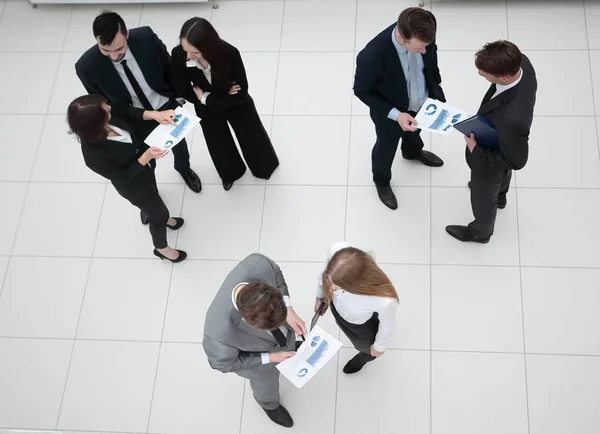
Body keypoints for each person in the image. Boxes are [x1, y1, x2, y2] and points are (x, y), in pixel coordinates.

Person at [75, 10, 202, 213]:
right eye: (106, 51)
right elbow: (105, 105)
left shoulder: (146, 37)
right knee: (143, 161)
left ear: (126, 33)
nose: (114, 56)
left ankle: (183, 169)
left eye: (119, 49)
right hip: (132, 117)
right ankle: (150, 198)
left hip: (163, 104)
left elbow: (169, 67)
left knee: (178, 142)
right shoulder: (86, 67)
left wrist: (178, 96)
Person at [67, 95, 187, 263]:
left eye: (107, 105)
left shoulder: (109, 114)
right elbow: (122, 178)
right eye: (105, 110)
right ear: (95, 122)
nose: (110, 108)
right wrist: (145, 157)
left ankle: (154, 214)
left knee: (153, 192)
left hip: (145, 171)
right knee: (158, 214)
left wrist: (155, 115)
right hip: (133, 186)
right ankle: (161, 248)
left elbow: (128, 112)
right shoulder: (93, 156)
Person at [170, 17, 279, 191]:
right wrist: (217, 98)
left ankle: (263, 168)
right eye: (186, 50)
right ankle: (231, 173)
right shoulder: (179, 55)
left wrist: (206, 98)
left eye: (195, 52)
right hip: (209, 107)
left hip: (234, 104)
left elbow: (241, 93)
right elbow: (183, 90)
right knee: (217, 142)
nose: (189, 56)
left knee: (252, 136)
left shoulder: (230, 53)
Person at [353, 7, 446, 210]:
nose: (424, 50)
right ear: (401, 37)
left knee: (415, 132)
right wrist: (397, 115)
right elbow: (361, 91)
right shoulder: (371, 56)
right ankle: (381, 180)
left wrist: (435, 86)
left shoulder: (427, 23)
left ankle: (412, 152)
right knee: (385, 147)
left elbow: (431, 56)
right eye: (418, 48)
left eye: (426, 46)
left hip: (422, 103)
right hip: (391, 113)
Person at [446, 40, 537, 243]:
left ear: (504, 77)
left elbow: (516, 161)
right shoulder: (524, 64)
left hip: (491, 157)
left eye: (484, 74)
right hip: (502, 137)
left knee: (483, 197)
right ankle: (501, 197)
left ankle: (480, 232)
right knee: (503, 174)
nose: (480, 74)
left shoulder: (513, 121)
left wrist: (476, 150)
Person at [203, 253, 306, 428]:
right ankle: (269, 405)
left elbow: (278, 278)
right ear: (249, 322)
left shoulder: (259, 265)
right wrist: (271, 358)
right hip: (260, 362)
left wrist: (288, 310)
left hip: (278, 337)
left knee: (287, 342)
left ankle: (288, 347)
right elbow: (223, 365)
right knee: (266, 384)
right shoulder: (218, 337)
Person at [313, 242, 399, 374]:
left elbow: (388, 325)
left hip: (361, 326)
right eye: (330, 281)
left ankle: (362, 358)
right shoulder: (339, 255)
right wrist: (320, 297)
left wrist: (378, 347)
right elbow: (322, 276)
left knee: (367, 350)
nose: (332, 288)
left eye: (338, 285)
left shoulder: (383, 299)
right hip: (338, 311)